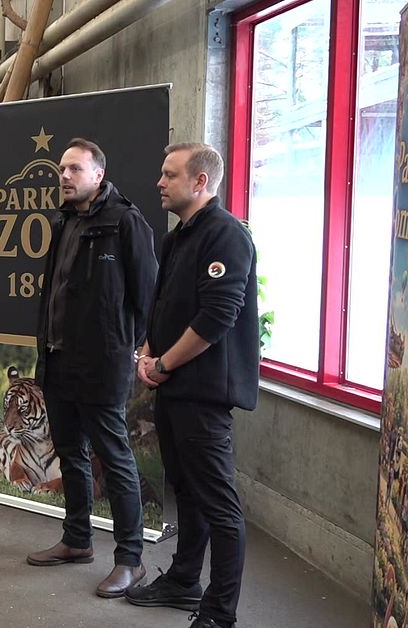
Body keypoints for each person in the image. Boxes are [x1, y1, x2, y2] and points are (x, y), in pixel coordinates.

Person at [125, 142, 259, 628]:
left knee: (219, 505)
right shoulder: (179, 237)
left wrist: (161, 364)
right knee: (186, 489)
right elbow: (164, 306)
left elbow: (217, 315)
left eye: (169, 174)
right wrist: (147, 351)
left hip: (204, 394)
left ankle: (220, 614)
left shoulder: (227, 236)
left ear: (200, 182)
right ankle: (184, 580)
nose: (159, 182)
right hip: (174, 388)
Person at [26, 138, 157, 598]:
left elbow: (147, 297)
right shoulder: (64, 221)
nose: (64, 176)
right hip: (59, 361)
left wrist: (131, 349)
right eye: (62, 168)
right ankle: (77, 541)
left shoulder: (124, 222)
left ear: (98, 175)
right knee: (71, 454)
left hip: (102, 366)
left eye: (75, 169)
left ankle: (130, 561)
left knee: (116, 461)